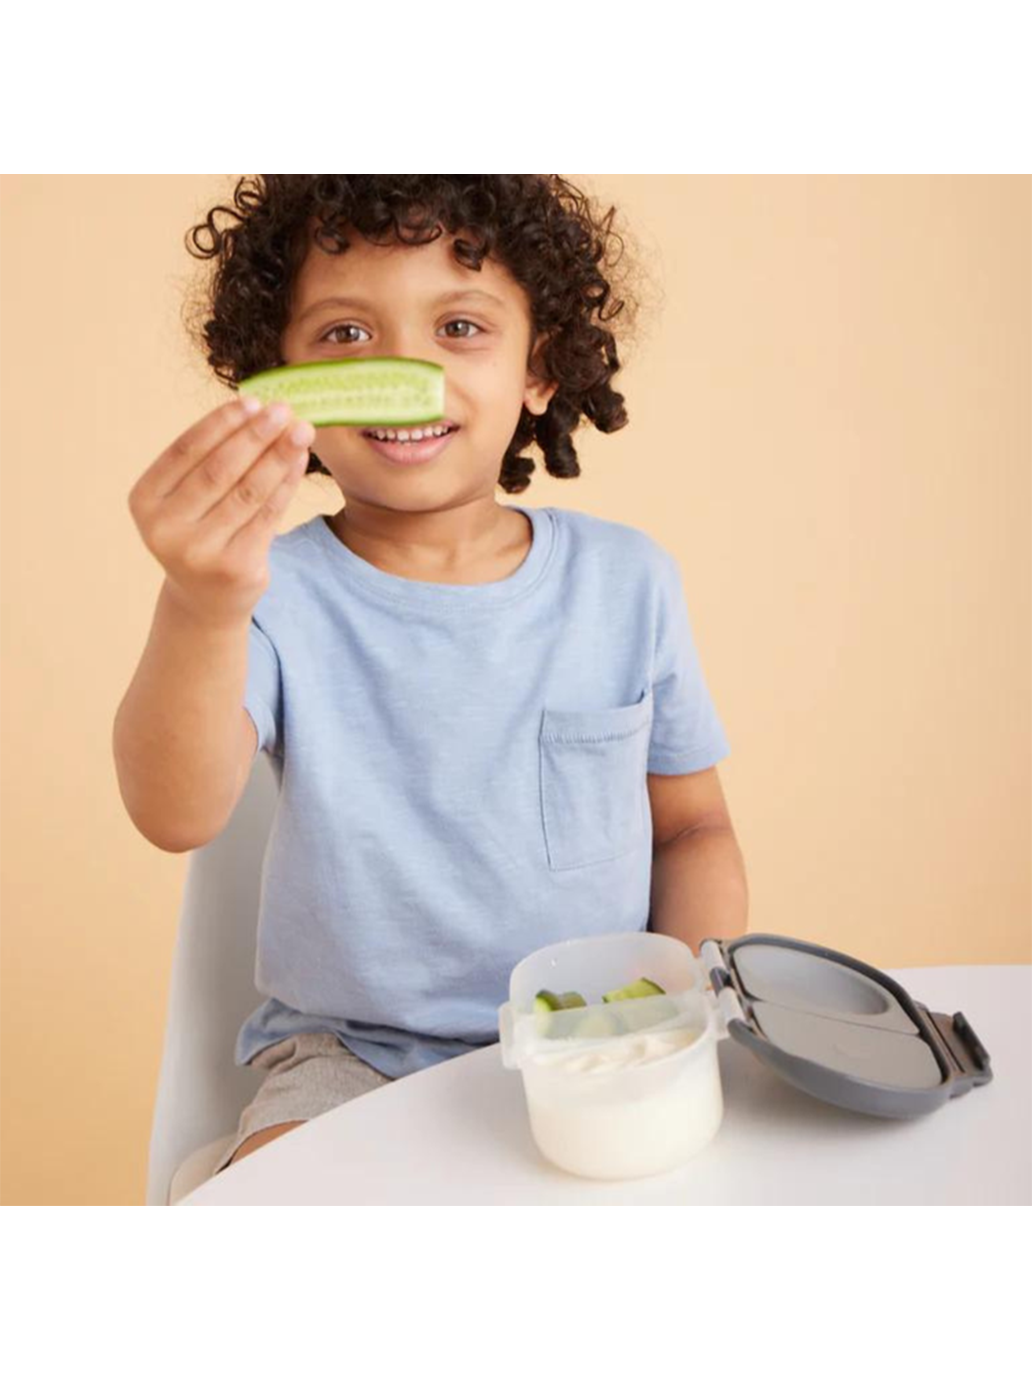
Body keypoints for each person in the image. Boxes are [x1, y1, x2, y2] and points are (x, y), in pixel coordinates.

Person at [113, 174, 740, 1181]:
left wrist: (682, 1009)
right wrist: (199, 601)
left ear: (540, 366)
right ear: (277, 374)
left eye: (458, 325)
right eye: (347, 337)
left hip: (597, 1043)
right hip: (353, 1055)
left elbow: (693, 829)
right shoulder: (273, 595)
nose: (406, 365)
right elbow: (174, 811)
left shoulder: (628, 582)